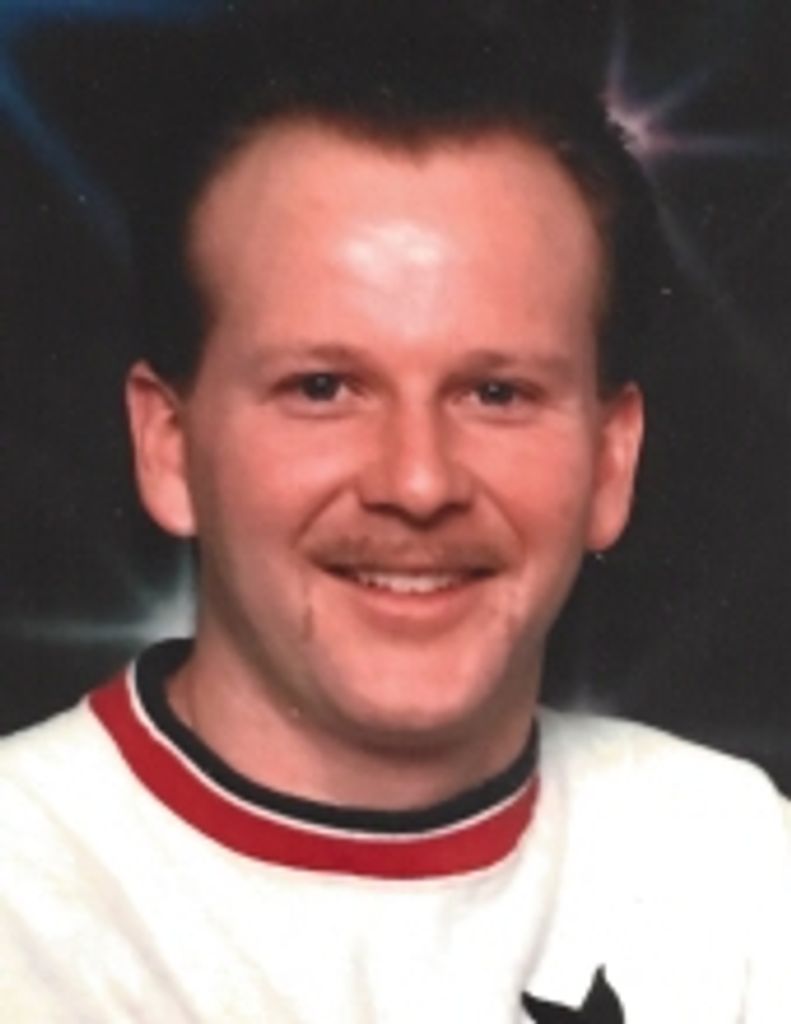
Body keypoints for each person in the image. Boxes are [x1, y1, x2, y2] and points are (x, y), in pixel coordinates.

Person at [1, 2, 789, 1021]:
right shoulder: (24, 898)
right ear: (168, 446)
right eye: (322, 387)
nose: (417, 483)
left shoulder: (735, 866)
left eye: (495, 393)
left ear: (608, 458)